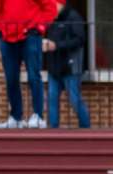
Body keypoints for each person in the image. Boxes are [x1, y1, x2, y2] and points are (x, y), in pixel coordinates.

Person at [0, 0, 56, 128]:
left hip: (31, 35)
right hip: (8, 37)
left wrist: (41, 27)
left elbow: (50, 8)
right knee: (11, 78)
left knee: (34, 76)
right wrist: (0, 30)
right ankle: (16, 117)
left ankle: (38, 115)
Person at [43, 0, 90, 128]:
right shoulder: (51, 18)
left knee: (75, 99)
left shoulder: (73, 17)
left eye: (53, 5)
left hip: (71, 66)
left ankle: (86, 128)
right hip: (54, 67)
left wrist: (57, 45)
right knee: (52, 100)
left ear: (61, 4)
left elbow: (80, 39)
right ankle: (53, 130)